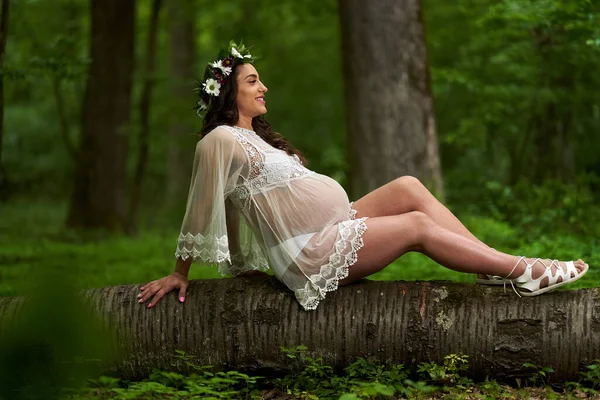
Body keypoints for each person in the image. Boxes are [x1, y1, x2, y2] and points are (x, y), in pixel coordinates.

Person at [137, 41, 589, 311]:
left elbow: (243, 206)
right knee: (415, 226)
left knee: (408, 186)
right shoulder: (219, 140)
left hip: (330, 228)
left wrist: (240, 263)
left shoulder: (256, 138)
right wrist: (181, 272)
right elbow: (206, 204)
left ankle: (490, 264)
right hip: (309, 255)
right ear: (229, 90)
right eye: (253, 80)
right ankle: (523, 270)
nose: (263, 87)